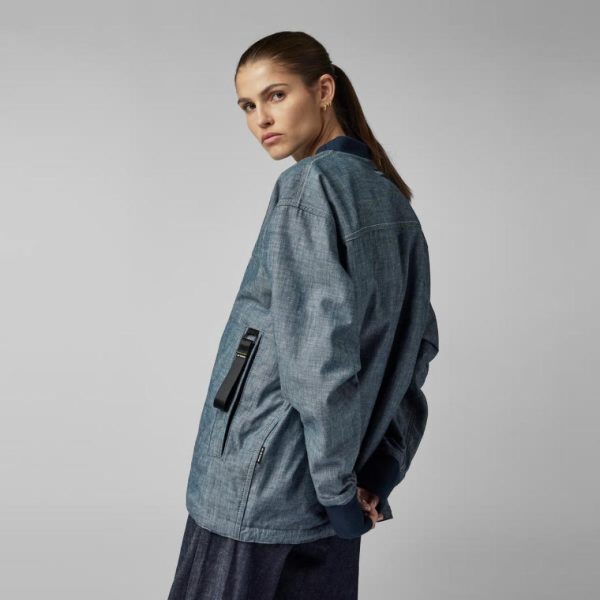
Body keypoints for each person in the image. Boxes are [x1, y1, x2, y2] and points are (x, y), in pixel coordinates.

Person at [167, 30, 439, 600]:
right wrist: (375, 471)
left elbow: (320, 360)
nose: (261, 119)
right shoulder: (394, 202)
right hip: (338, 481)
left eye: (276, 95)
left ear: (323, 90)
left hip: (262, 479)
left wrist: (337, 487)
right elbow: (415, 352)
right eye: (247, 106)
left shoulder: (307, 187)